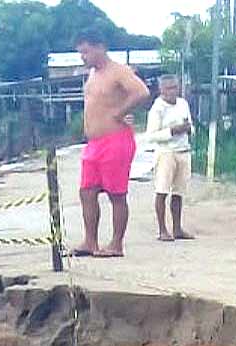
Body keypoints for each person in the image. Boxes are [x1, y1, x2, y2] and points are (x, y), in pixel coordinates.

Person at [73, 28, 151, 258]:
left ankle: (116, 244)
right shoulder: (93, 74)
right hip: (94, 143)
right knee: (86, 192)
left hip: (115, 140)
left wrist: (120, 112)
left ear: (100, 47)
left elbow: (141, 92)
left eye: (86, 52)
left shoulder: (118, 71)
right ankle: (90, 240)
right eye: (80, 53)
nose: (83, 57)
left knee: (116, 194)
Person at [145, 75, 195, 241]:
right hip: (166, 152)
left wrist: (188, 129)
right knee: (162, 190)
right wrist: (172, 131)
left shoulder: (183, 103)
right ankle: (162, 230)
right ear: (161, 90)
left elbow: (189, 124)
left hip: (183, 150)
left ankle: (177, 228)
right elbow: (151, 136)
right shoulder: (157, 109)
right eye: (168, 88)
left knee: (179, 192)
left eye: (175, 87)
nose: (172, 91)